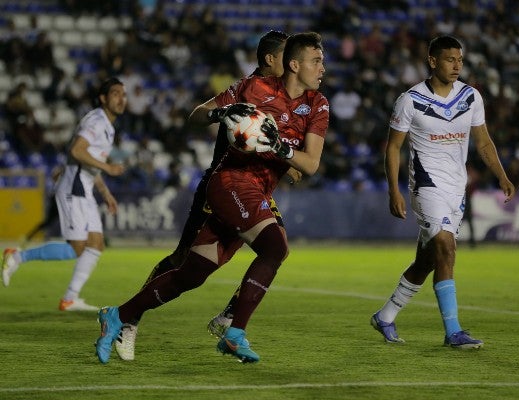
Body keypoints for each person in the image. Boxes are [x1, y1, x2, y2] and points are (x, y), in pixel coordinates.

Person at [95, 31, 328, 364]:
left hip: (259, 189)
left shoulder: (318, 104)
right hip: (228, 181)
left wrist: (279, 149)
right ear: (287, 62)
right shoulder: (251, 89)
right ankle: (232, 331)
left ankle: (118, 315)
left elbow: (310, 163)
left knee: (192, 273)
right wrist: (225, 114)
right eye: (317, 60)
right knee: (274, 246)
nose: (323, 68)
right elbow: (198, 115)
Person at [370, 35, 515, 349]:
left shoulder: (471, 97)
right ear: (432, 61)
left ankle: (386, 315)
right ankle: (453, 332)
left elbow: (484, 142)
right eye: (450, 59)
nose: (457, 65)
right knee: (446, 248)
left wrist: (502, 176)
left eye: (460, 60)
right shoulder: (410, 100)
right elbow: (393, 148)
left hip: (456, 190)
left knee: (428, 260)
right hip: (426, 187)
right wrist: (393, 191)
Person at [2, 77, 127, 311]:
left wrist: (105, 192)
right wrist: (109, 168)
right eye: (115, 93)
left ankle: (70, 298)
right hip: (74, 187)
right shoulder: (97, 120)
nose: (121, 98)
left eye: (124, 94)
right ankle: (16, 256)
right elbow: (77, 150)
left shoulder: (108, 127)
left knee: (96, 244)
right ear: (103, 98)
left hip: (86, 187)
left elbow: (90, 161)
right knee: (77, 248)